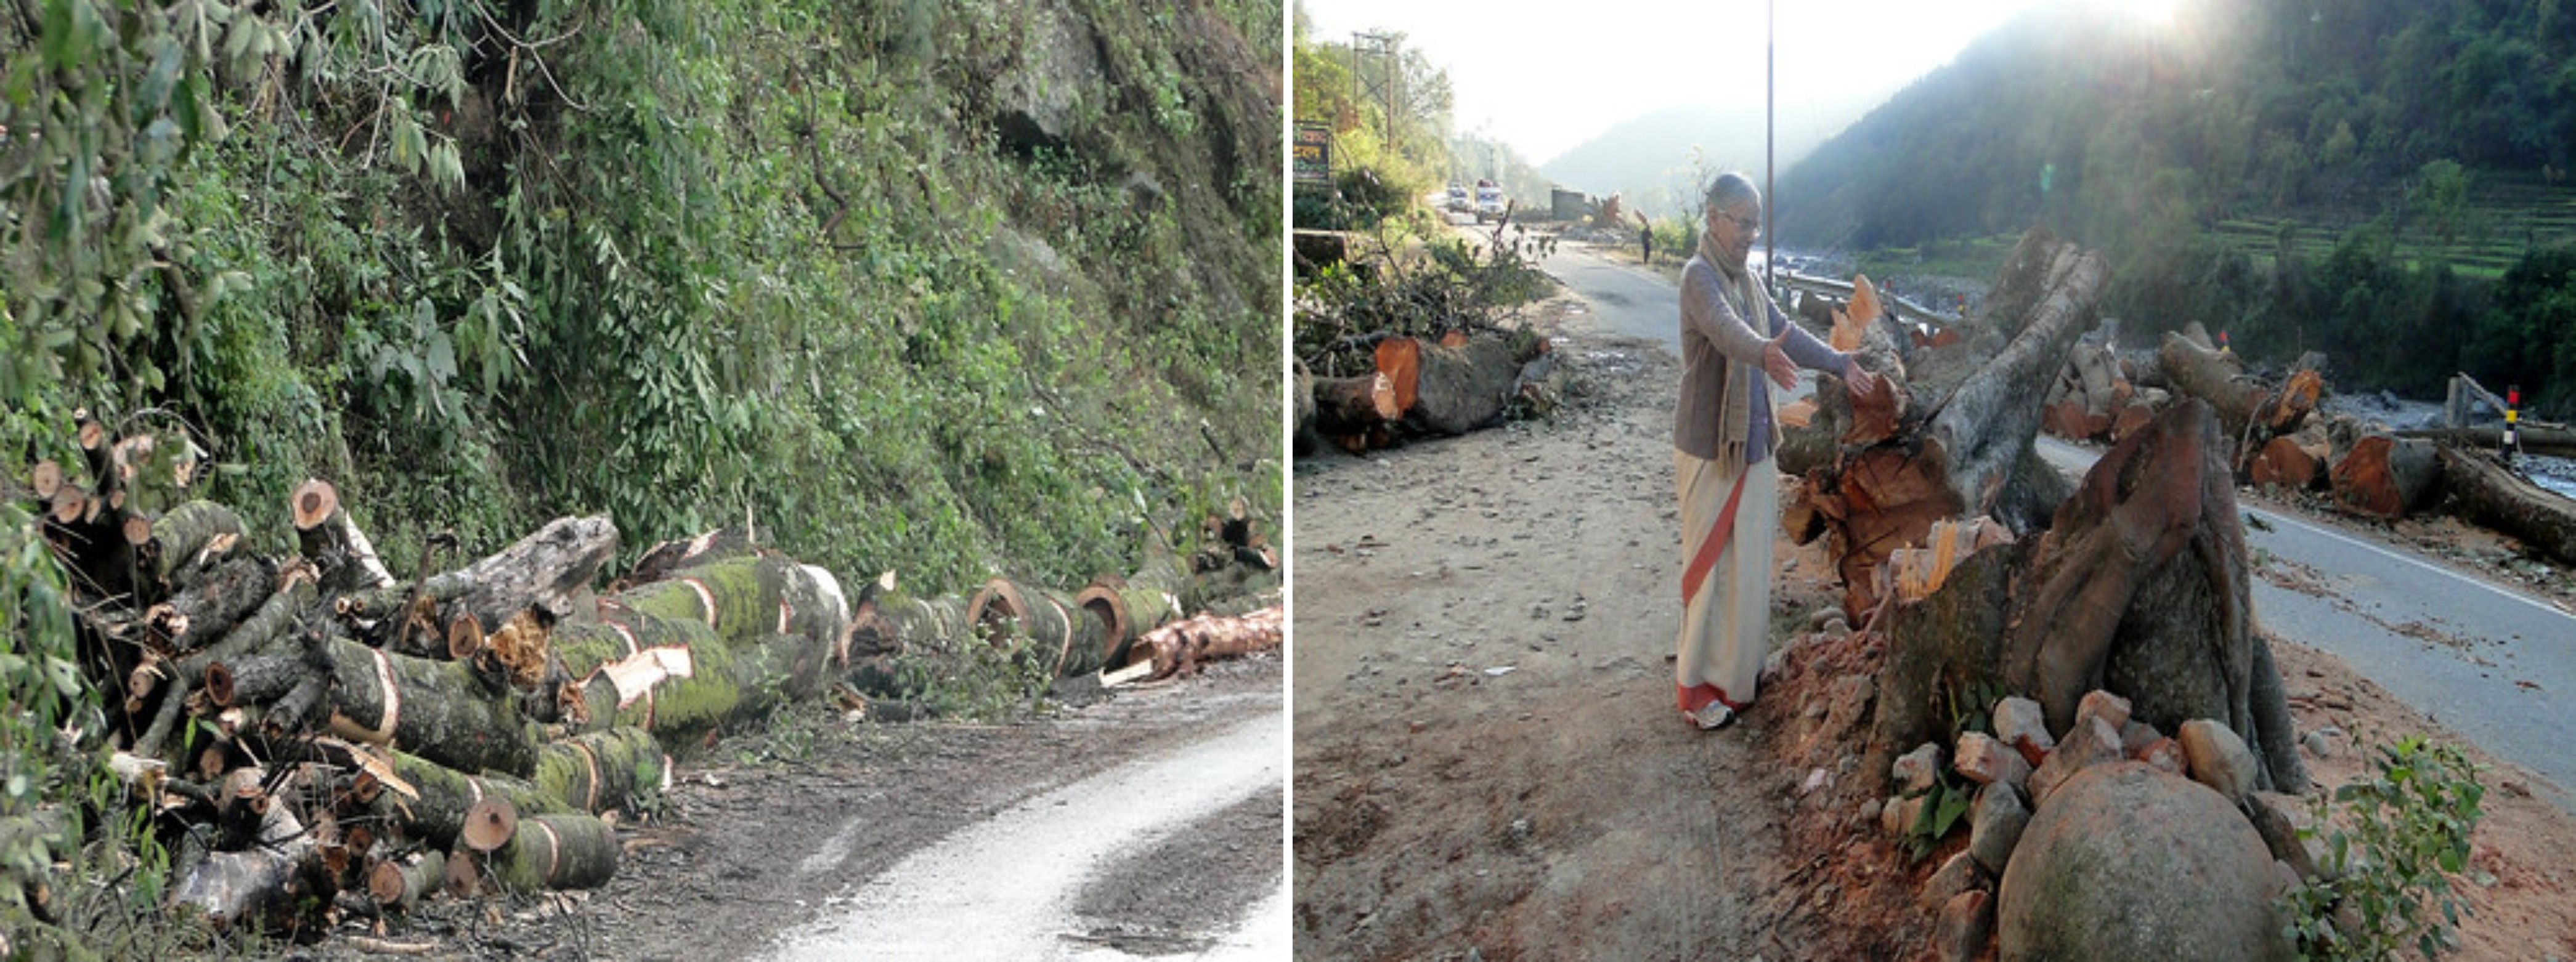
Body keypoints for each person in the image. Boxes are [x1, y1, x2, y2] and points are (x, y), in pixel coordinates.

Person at [1672, 172, 1881, 730]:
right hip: (1709, 447)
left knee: (1747, 568)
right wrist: (1762, 352)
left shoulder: (1747, 278)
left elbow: (1783, 330)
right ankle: (1696, 690)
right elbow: (1725, 331)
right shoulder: (1699, 276)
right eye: (1740, 222)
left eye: (1754, 224)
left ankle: (1736, 681)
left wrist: (1839, 362)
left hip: (1757, 444)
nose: (1747, 233)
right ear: (1713, 218)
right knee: (1710, 566)